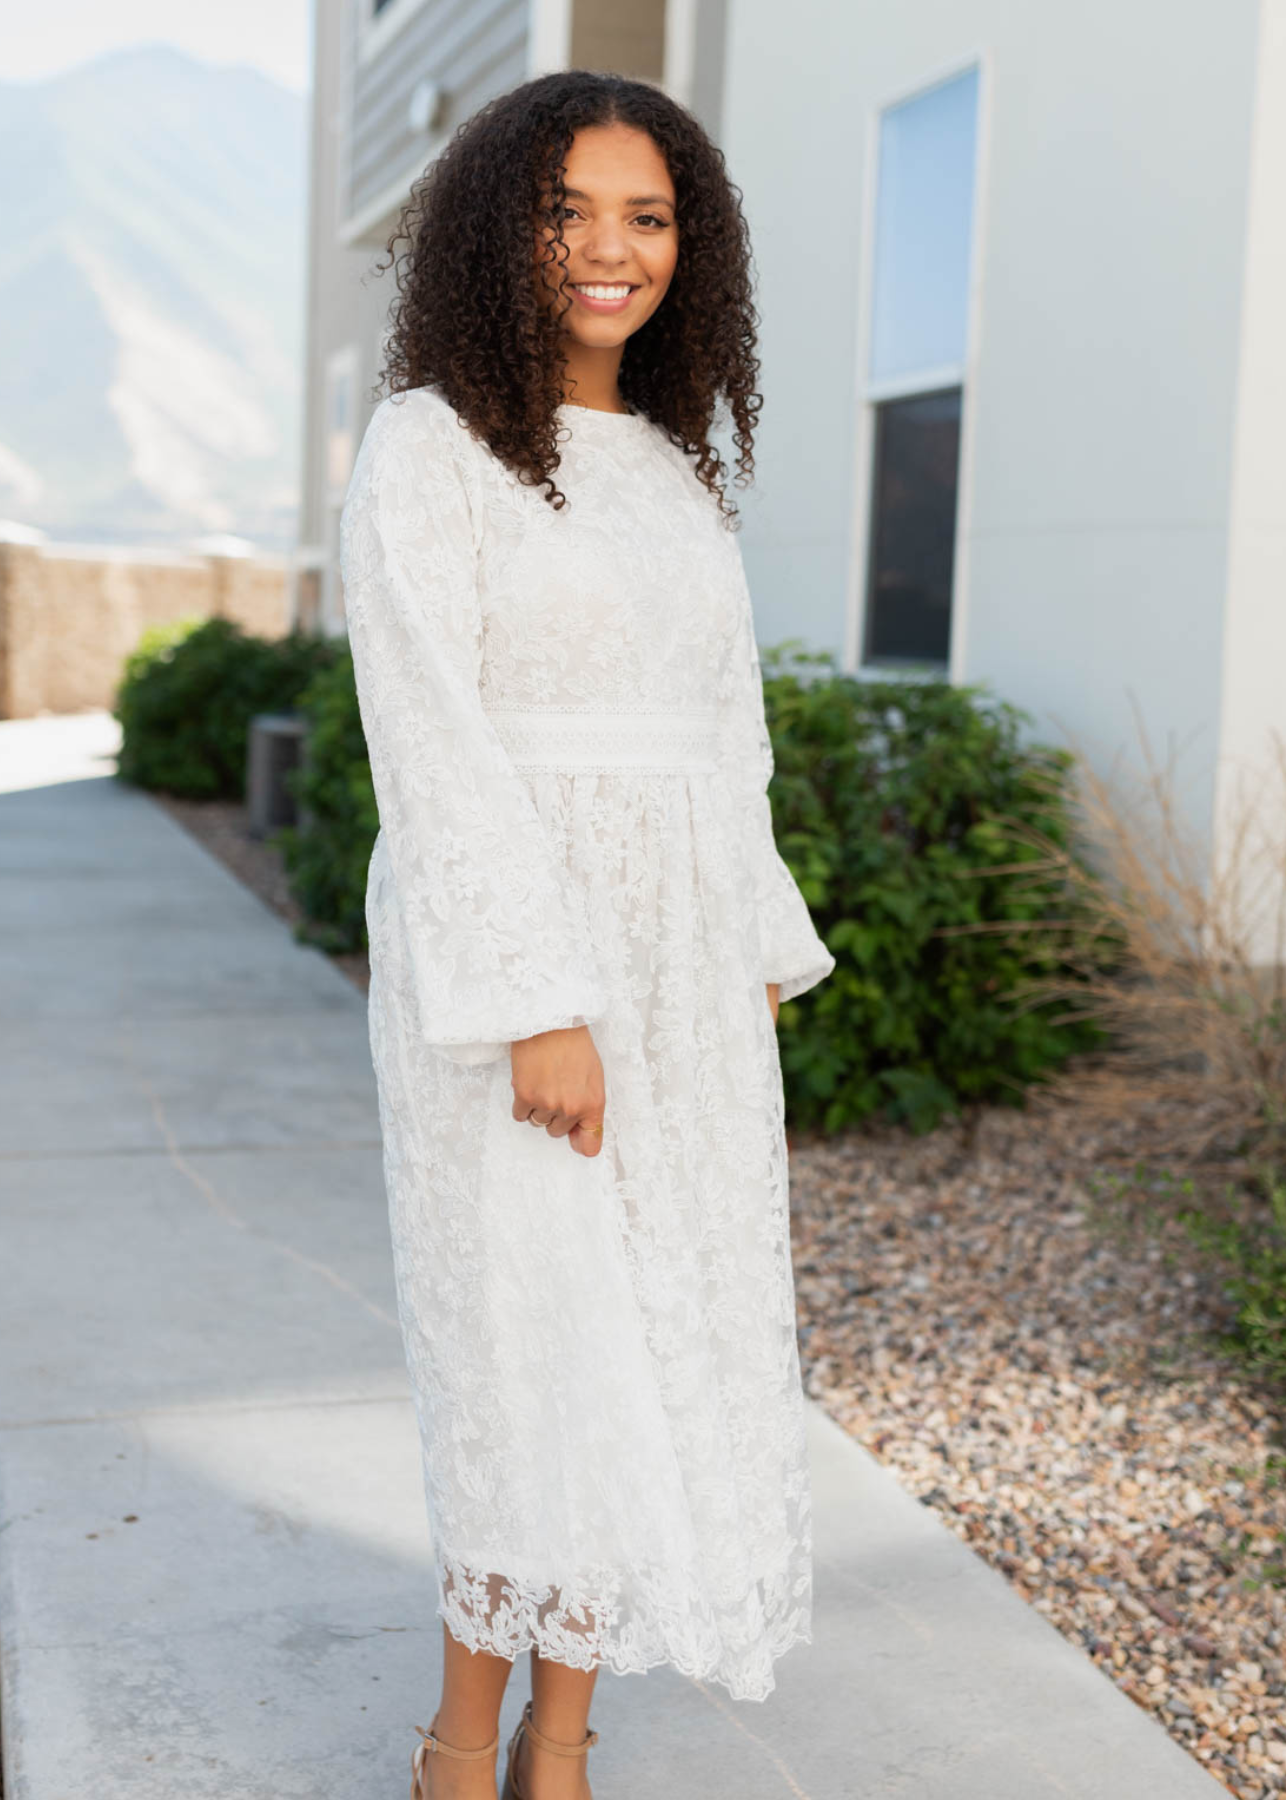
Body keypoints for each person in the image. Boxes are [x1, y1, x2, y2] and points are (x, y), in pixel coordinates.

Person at [340, 66, 836, 1800]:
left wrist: (752, 951)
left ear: (686, 248)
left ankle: (564, 1748)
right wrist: (537, 999)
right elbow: (430, 736)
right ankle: (459, 1752)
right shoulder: (429, 444)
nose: (610, 250)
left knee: (648, 1352)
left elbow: (726, 742)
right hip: (519, 973)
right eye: (567, 213)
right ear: (499, 230)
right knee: (530, 1357)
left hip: (682, 975)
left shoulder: (677, 475)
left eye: (648, 215)